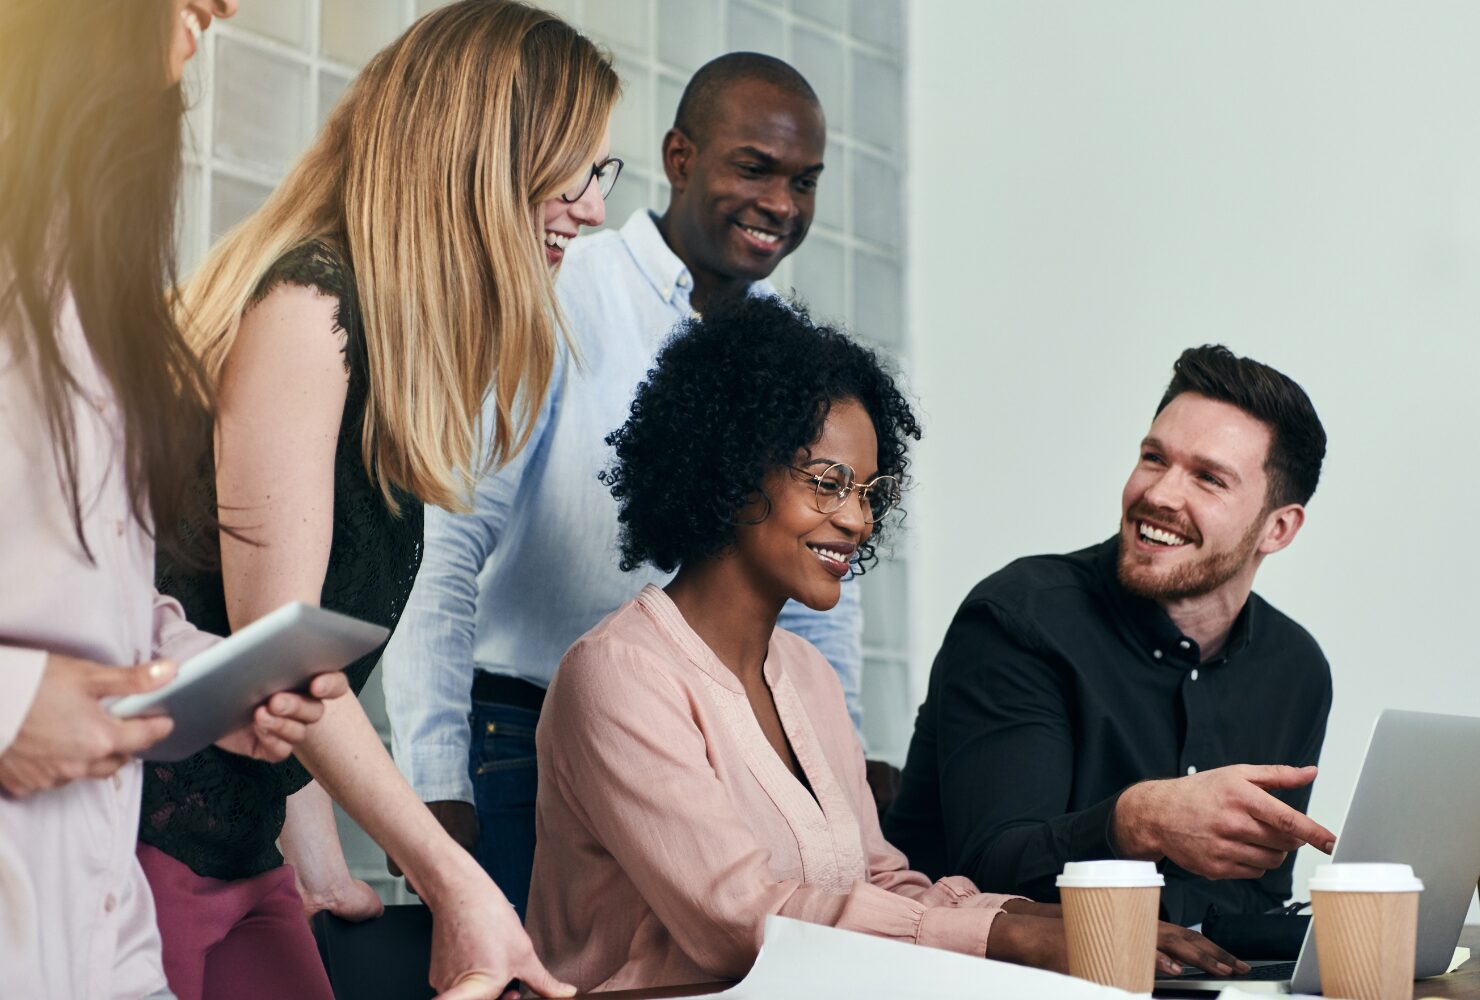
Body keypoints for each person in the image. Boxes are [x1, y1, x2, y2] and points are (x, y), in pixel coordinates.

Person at [525, 299, 1241, 992]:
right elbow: (736, 921)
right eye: (829, 483)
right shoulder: (619, 675)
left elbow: (877, 884)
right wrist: (1010, 938)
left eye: (869, 491)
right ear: (735, 469)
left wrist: (1041, 917)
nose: (859, 520)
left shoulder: (807, 676)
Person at [139, 3, 618, 997]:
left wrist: (311, 848)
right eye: (573, 172)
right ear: (483, 159)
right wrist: (458, 885)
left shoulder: (393, 351)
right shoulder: (313, 314)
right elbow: (280, 649)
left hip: (238, 853)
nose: (592, 207)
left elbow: (265, 639)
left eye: (597, 176)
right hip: (138, 853)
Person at [382, 52, 868, 918]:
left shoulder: (788, 355)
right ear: (680, 158)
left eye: (806, 181)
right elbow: (443, 545)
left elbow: (819, 590)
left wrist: (842, 775)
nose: (784, 205)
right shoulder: (564, 290)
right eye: (754, 168)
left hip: (714, 754)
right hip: (518, 750)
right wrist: (434, 782)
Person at [0, 2, 348, 997]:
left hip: (97, 936)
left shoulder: (92, 288)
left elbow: (88, 595)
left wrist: (204, 680)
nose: (229, 5)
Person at [883, 345, 1336, 948]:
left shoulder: (1296, 670)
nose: (1161, 494)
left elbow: (1253, 892)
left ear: (1277, 528)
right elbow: (987, 868)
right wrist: (1137, 821)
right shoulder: (1020, 618)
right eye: (1154, 458)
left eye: (1208, 477)